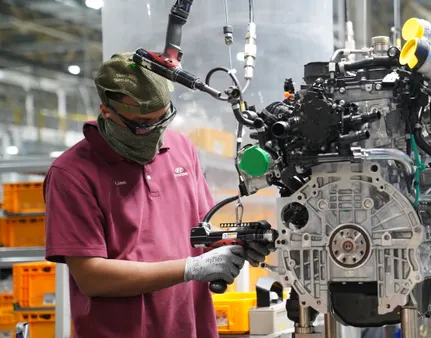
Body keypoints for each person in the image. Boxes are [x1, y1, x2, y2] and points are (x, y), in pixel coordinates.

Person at [43, 52, 271, 338]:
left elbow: (201, 237)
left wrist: (238, 246)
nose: (155, 132)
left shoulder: (180, 148)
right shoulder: (71, 174)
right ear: (107, 111)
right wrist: (190, 268)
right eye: (142, 123)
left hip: (191, 328)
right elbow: (91, 278)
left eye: (163, 118)